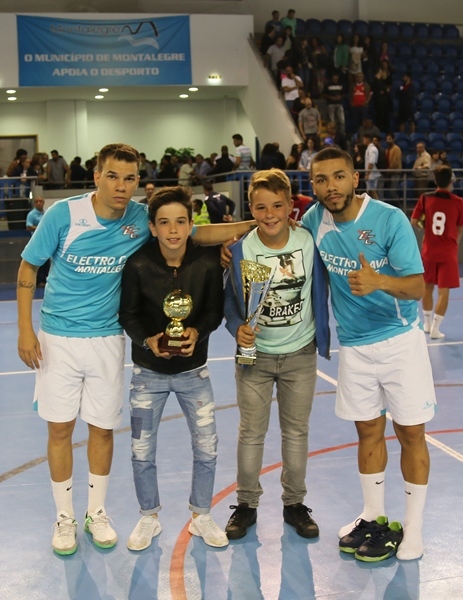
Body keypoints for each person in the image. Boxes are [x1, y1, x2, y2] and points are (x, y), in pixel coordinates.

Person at [17, 143, 153, 556]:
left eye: (129, 178)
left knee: (102, 428)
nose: (121, 186)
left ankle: (96, 512)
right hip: (57, 339)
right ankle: (65, 518)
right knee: (59, 428)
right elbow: (28, 267)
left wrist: (257, 224)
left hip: (107, 340)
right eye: (113, 176)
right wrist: (25, 331)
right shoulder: (64, 214)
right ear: (96, 176)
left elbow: (190, 233)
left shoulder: (140, 219)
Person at [302, 147, 436, 562]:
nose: (331, 187)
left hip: (399, 342)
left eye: (339, 177)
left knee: (411, 433)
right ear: (314, 186)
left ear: (356, 178)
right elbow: (275, 232)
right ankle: (374, 516)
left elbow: (418, 287)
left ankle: (413, 528)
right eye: (321, 180)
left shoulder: (388, 219)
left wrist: (378, 280)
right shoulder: (313, 221)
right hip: (355, 347)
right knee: (367, 433)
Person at [119, 186, 228, 550]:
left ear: (190, 224)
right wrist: (146, 340)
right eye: (164, 222)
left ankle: (201, 515)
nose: (173, 230)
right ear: (152, 227)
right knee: (141, 450)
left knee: (207, 447)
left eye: (181, 221)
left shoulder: (208, 261)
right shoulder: (137, 264)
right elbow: (128, 315)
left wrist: (199, 330)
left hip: (193, 373)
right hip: (147, 374)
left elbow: (215, 310)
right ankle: (148, 516)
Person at [223, 168, 330, 541]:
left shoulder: (308, 241)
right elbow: (230, 302)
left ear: (290, 208)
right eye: (261, 207)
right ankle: (246, 504)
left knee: (296, 434)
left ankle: (295, 504)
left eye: (277, 206)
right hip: (255, 356)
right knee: (251, 434)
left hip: (300, 353)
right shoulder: (241, 249)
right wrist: (236, 325)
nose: (269, 214)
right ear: (250, 208)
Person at [411, 165, 463, 339]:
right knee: (444, 291)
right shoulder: (458, 202)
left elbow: (414, 221)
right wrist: (455, 241)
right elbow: (460, 228)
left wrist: (424, 227)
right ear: (451, 181)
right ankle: (435, 328)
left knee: (427, 287)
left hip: (429, 250)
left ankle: (426, 323)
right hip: (448, 252)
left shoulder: (425, 199)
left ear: (435, 181)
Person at [26, 196, 50, 286]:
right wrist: (41, 228)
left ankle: (46, 279)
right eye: (37, 201)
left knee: (46, 261)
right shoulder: (31, 214)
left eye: (41, 201)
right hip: (37, 241)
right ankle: (39, 281)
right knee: (38, 261)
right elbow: (28, 227)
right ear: (34, 203)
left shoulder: (47, 212)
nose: (39, 203)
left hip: (47, 241)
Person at [363, 133, 380, 200]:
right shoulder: (369, 149)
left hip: (372, 175)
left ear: (367, 139)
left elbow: (371, 162)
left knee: (372, 192)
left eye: (364, 139)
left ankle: (379, 208)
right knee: (370, 193)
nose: (363, 141)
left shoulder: (372, 149)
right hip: (370, 174)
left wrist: (368, 174)